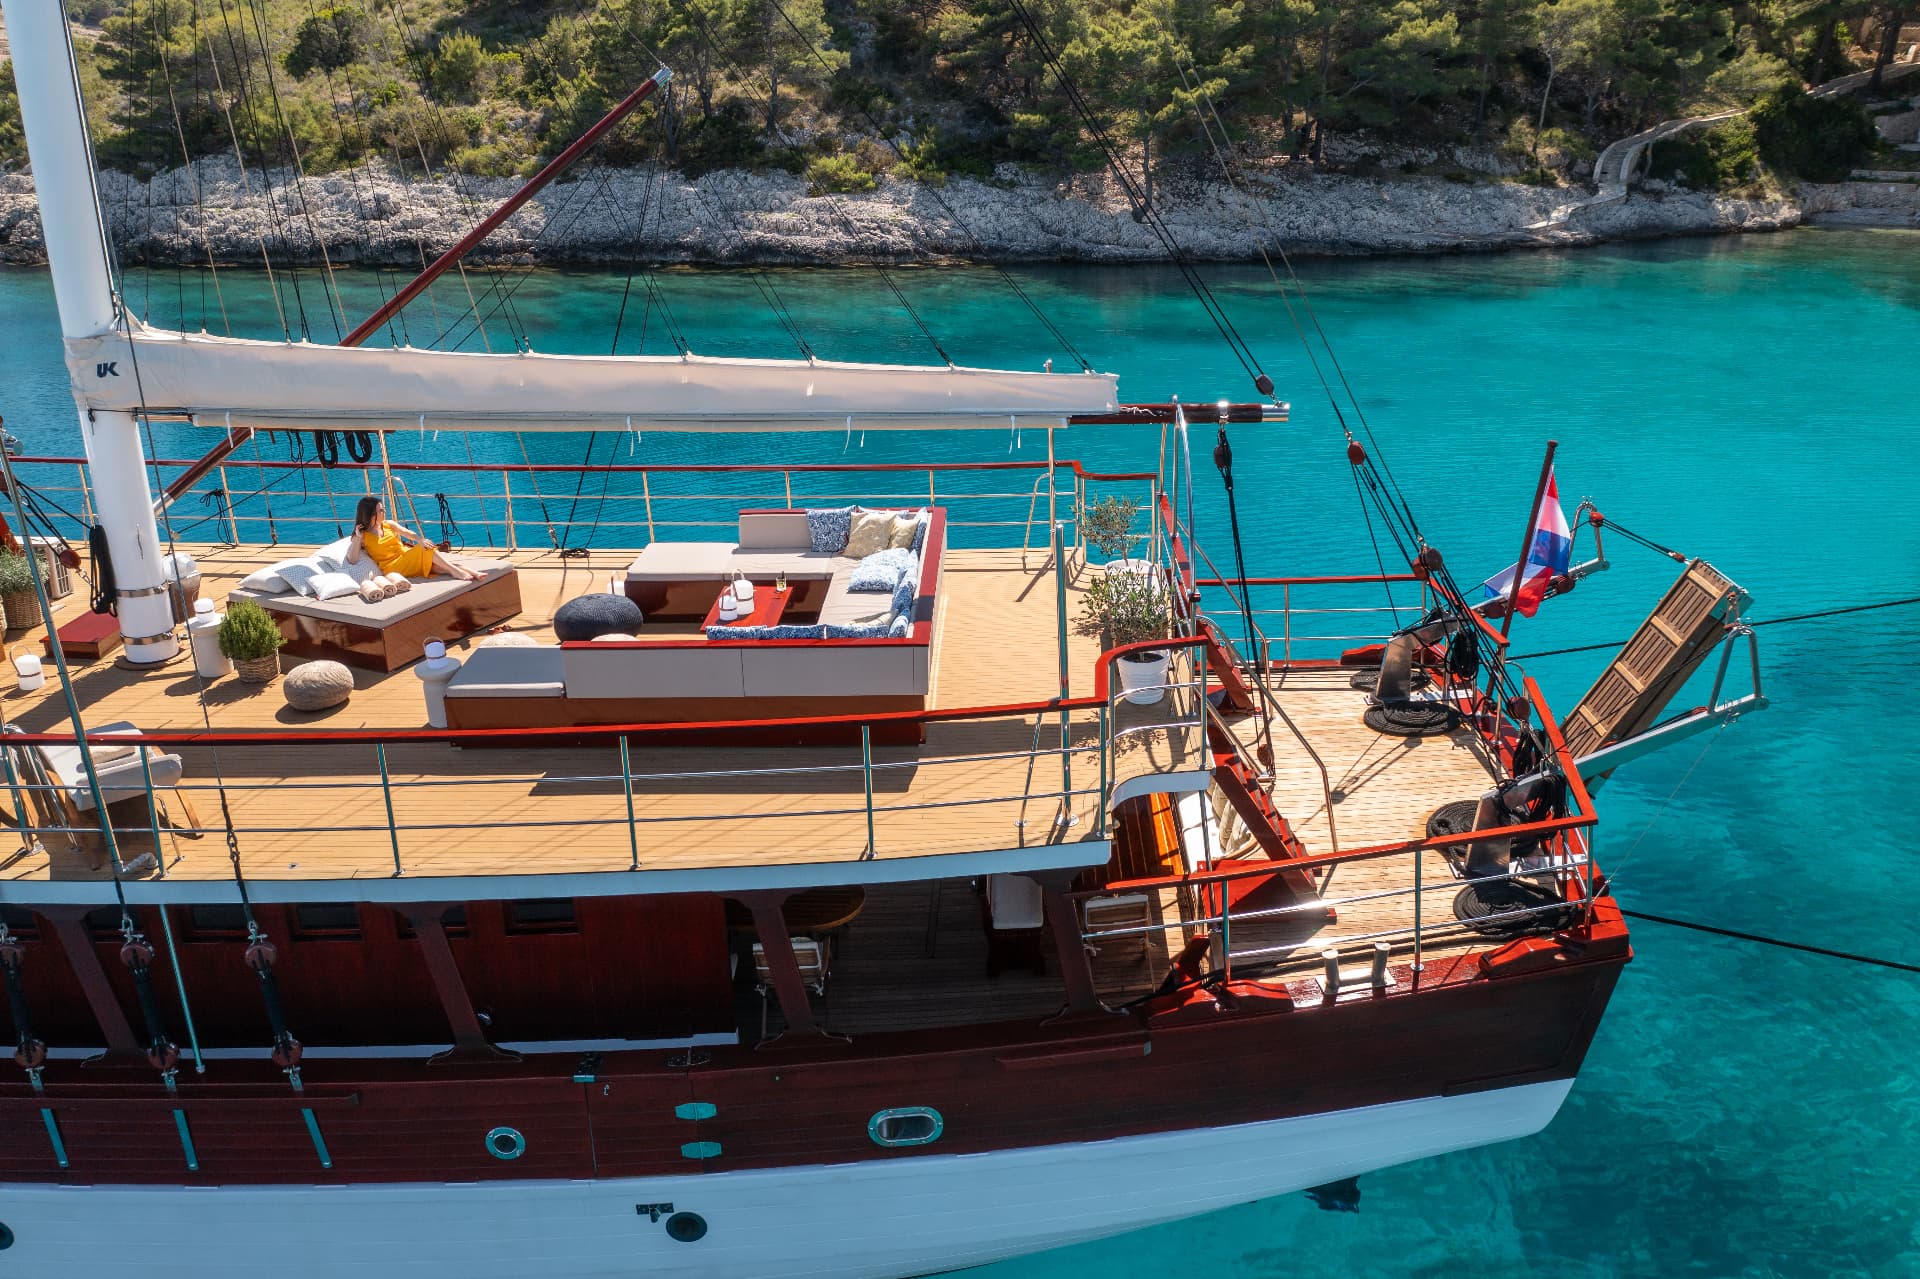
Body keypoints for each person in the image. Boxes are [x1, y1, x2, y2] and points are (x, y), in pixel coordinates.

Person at [346, 496, 478, 581]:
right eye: (380, 511)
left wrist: (420, 539)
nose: (384, 512)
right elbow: (352, 559)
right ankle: (457, 572)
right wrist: (357, 538)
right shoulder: (362, 536)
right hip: (393, 566)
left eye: (383, 509)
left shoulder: (388, 524)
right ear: (371, 514)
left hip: (406, 556)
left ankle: (468, 572)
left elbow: (408, 533)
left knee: (437, 566)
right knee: (426, 550)